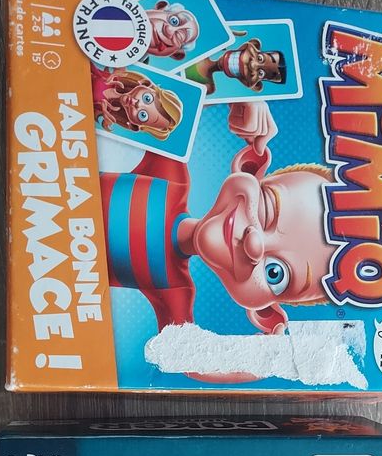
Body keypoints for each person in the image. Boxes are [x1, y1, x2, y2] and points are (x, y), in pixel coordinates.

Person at [99, 100, 334, 351]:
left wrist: (258, 357)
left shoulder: (173, 286)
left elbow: (182, 355)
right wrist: (241, 97)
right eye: (266, 210)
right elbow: (166, 104)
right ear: (248, 168)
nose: (254, 244)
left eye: (275, 273)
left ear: (263, 312)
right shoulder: (170, 181)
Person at [91, 66, 182, 140]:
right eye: (147, 98)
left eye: (143, 115)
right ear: (146, 84)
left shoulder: (106, 114)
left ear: (134, 125)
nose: (137, 104)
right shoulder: (116, 72)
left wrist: (102, 115)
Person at [186, 38, 286, 95]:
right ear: (253, 44)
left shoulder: (207, 88)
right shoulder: (204, 44)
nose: (252, 64)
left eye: (261, 73)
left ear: (255, 86)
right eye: (259, 58)